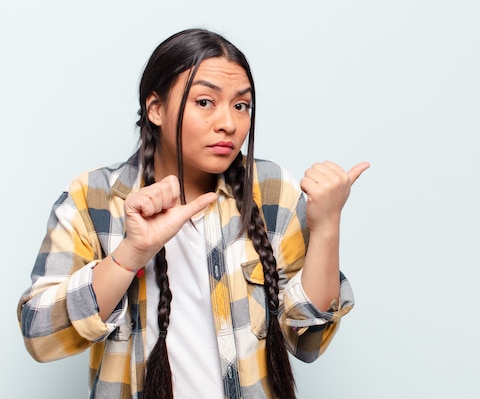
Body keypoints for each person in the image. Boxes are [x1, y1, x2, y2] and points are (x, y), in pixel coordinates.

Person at [16, 28, 368, 399]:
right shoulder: (94, 200)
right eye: (205, 102)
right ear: (155, 108)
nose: (229, 123)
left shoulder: (272, 191)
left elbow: (308, 341)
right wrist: (128, 256)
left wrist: (327, 225)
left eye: (241, 105)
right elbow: (40, 335)